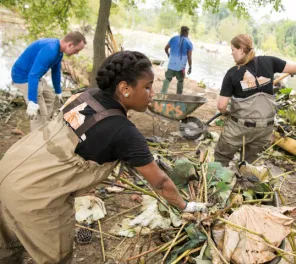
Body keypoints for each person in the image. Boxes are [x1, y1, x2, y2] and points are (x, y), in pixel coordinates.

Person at [0, 51, 207, 263]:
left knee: (6, 249)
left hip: (10, 166)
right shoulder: (124, 133)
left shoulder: (86, 95)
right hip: (34, 193)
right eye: (147, 87)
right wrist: (185, 206)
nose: (152, 93)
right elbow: (161, 182)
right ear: (125, 88)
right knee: (56, 257)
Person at [214, 34, 296, 166]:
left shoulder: (232, 73)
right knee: (250, 163)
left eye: (233, 49)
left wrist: (227, 112)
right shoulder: (269, 61)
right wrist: (292, 72)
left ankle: (219, 179)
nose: (231, 53)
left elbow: (221, 106)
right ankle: (245, 178)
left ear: (241, 49)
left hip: (240, 126)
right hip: (265, 128)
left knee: (221, 157)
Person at [11, 31, 86, 131]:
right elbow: (33, 75)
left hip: (33, 75)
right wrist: (32, 102)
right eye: (77, 50)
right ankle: (38, 136)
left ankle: (45, 123)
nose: (77, 53)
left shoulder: (58, 51)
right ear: (70, 45)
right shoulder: (50, 50)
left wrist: (58, 91)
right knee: (39, 112)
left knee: (50, 96)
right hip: (23, 77)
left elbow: (56, 72)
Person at [161, 26, 193, 94]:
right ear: (187, 32)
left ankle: (163, 93)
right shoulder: (189, 42)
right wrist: (190, 67)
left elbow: (166, 48)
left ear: (181, 31)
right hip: (181, 67)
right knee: (180, 81)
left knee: (167, 79)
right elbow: (189, 57)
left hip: (171, 65)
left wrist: (168, 55)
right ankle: (179, 96)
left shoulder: (173, 39)